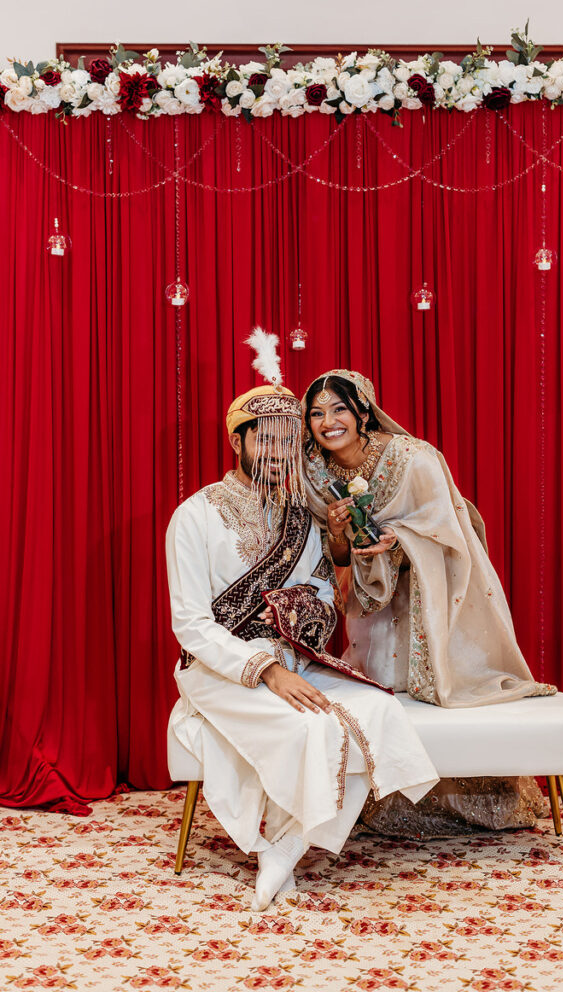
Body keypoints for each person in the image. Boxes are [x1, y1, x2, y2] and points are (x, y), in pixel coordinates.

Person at [165, 334, 438, 910]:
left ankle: (283, 848)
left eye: (287, 439)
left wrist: (299, 611)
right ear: (238, 439)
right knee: (310, 728)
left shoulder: (301, 515)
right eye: (263, 437)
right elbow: (189, 623)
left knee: (377, 711)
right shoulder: (195, 514)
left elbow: (320, 591)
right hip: (223, 669)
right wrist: (266, 669)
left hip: (294, 660)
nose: (274, 449)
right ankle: (283, 846)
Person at [301, 369, 555, 836]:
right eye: (316, 413)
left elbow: (451, 531)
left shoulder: (413, 458)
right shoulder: (315, 474)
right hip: (373, 602)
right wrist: (339, 533)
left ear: (363, 410)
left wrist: (399, 538)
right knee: (381, 693)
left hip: (431, 596)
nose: (327, 421)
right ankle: (388, 802)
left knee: (436, 696)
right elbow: (331, 554)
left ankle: (473, 805)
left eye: (338, 408)